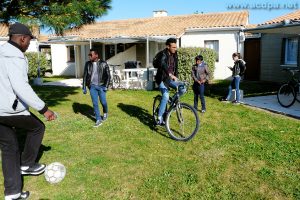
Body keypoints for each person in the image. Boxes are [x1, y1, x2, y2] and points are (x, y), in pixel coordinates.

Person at [0, 22, 56, 200]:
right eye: (29, 42)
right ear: (22, 38)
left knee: (9, 148)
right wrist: (44, 109)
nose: (28, 45)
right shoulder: (14, 56)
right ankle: (26, 164)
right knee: (37, 127)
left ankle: (13, 193)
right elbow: (21, 87)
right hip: (10, 110)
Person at [154, 38, 185, 125]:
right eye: (173, 47)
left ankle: (171, 102)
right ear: (168, 46)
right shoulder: (162, 54)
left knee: (183, 88)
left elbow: (176, 67)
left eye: (176, 47)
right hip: (162, 79)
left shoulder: (175, 54)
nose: (175, 49)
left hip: (170, 79)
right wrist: (170, 74)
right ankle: (159, 117)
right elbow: (163, 65)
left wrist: (176, 78)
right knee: (166, 95)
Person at [82, 49, 111, 127]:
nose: (89, 56)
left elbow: (108, 76)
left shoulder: (104, 63)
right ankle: (98, 119)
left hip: (101, 86)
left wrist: (106, 86)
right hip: (92, 87)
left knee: (103, 102)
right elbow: (84, 76)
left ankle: (105, 112)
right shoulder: (87, 64)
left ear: (96, 55)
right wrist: (84, 87)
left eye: (91, 55)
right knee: (95, 103)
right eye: (89, 55)